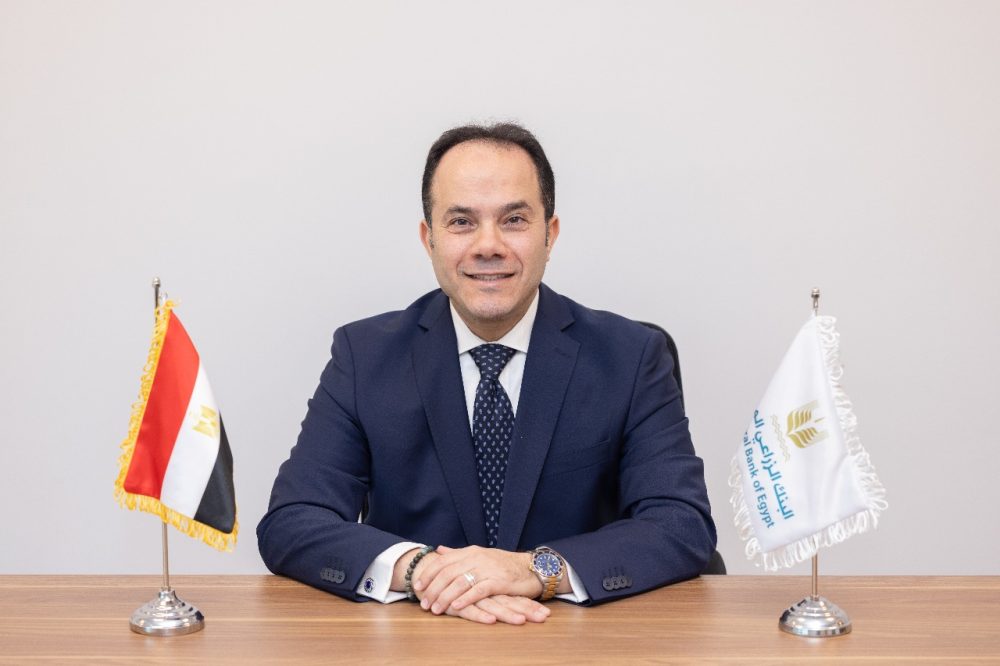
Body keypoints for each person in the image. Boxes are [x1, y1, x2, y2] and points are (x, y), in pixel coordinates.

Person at [257, 123, 717, 625]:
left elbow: (680, 523)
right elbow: (293, 521)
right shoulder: (364, 355)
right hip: (417, 639)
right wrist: (424, 570)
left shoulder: (631, 357)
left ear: (550, 234)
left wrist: (535, 570)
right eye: (461, 222)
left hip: (575, 641)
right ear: (429, 239)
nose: (488, 245)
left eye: (514, 219)